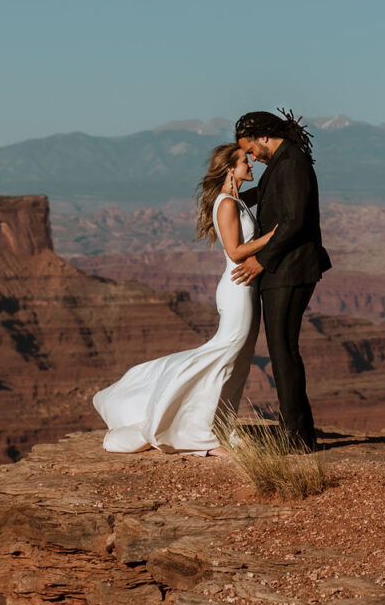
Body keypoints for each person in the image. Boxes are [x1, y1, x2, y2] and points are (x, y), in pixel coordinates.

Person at [92, 143, 276, 455]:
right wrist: (275, 236)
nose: (251, 164)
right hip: (237, 289)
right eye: (245, 161)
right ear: (230, 168)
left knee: (237, 360)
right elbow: (234, 252)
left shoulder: (234, 200)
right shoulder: (227, 204)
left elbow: (260, 194)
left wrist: (280, 180)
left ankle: (218, 425)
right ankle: (195, 431)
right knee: (224, 354)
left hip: (244, 288)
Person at [232, 110, 331, 452]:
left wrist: (261, 259)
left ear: (263, 135)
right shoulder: (284, 161)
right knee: (282, 352)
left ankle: (298, 438)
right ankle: (296, 431)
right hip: (286, 269)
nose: (253, 158)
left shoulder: (291, 162)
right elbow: (268, 193)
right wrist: (232, 202)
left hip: (290, 269)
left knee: (284, 352)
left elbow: (293, 221)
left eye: (251, 149)